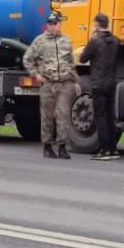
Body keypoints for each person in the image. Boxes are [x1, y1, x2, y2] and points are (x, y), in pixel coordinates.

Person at [23, 10, 78, 159]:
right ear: (47, 25)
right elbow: (28, 59)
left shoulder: (66, 41)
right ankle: (47, 145)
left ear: (60, 24)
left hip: (64, 83)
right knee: (47, 116)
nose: (53, 26)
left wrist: (76, 81)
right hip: (48, 83)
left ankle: (62, 146)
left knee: (63, 115)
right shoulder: (40, 41)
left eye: (56, 23)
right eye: (50, 23)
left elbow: (71, 62)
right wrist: (36, 75)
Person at [80, 12, 120, 160]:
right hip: (111, 83)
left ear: (97, 24)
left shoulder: (95, 42)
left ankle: (104, 150)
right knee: (110, 116)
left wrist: (91, 39)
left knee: (100, 117)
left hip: (98, 84)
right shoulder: (116, 41)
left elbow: (83, 58)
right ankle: (113, 149)